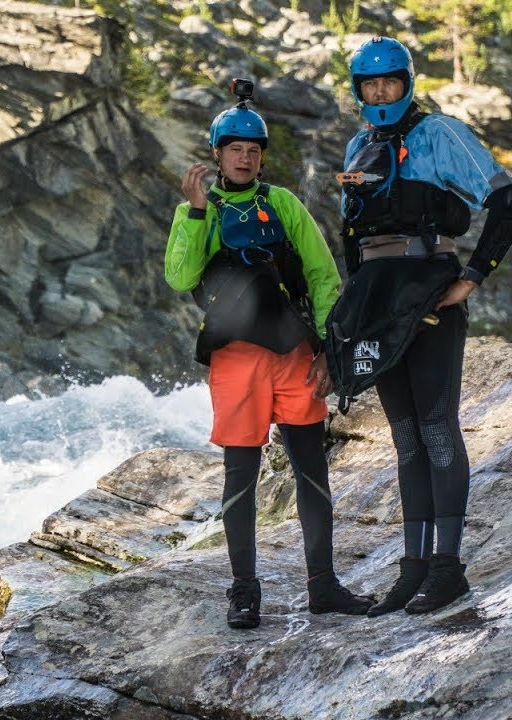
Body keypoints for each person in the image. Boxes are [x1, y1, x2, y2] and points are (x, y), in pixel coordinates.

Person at [328, 37, 512, 616]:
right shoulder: (359, 146)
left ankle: (449, 568)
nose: (381, 92)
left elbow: (508, 202)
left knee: (437, 427)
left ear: (406, 81)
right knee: (406, 434)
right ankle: (412, 569)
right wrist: (354, 306)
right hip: (378, 296)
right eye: (370, 85)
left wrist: (472, 275)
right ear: (358, 91)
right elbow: (351, 234)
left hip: (430, 287)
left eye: (390, 81)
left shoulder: (440, 133)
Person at [165, 80, 373, 629]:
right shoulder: (198, 211)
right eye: (235, 149)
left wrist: (330, 349)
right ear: (217, 155)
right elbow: (180, 275)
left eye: (253, 151)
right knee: (240, 475)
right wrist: (192, 212)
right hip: (235, 359)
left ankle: (323, 586)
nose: (244, 157)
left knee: (311, 471)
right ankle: (243, 591)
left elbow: (324, 276)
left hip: (293, 353)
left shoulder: (282, 204)